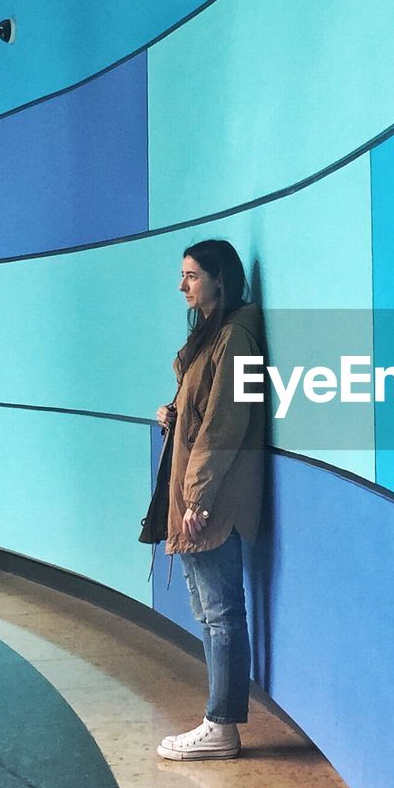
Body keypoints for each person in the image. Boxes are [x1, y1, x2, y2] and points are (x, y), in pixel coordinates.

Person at [154, 239, 266, 761]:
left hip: (212, 498)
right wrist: (173, 413)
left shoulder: (236, 336)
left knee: (221, 612)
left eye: (192, 276)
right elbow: (203, 408)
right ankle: (218, 719)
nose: (183, 286)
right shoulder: (212, 335)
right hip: (201, 493)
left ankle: (221, 725)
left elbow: (228, 421)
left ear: (220, 279)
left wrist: (196, 499)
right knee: (209, 610)